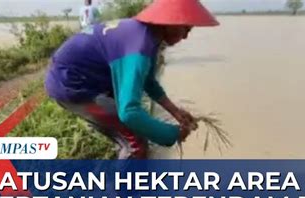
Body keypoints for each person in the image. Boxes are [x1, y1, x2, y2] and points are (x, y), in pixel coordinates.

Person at [45, 0, 219, 159]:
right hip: (72, 86)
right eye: (186, 29)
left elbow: (148, 82)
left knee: (131, 131)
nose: (186, 36)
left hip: (86, 78)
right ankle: (124, 191)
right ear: (170, 22)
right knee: (136, 141)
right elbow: (129, 113)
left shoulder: (145, 34)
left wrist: (175, 112)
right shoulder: (139, 47)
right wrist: (172, 134)